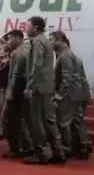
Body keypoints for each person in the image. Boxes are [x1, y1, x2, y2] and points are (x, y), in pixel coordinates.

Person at [24, 16, 64, 164]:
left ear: (35, 28)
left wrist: (29, 85)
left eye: (27, 26)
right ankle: (58, 151)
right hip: (46, 86)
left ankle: (42, 154)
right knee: (48, 120)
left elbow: (37, 65)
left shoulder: (38, 41)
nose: (26, 29)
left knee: (38, 122)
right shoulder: (44, 41)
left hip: (39, 87)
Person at [50, 30, 93, 159]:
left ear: (59, 40)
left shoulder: (65, 56)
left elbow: (67, 78)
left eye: (51, 40)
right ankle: (84, 147)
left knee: (63, 122)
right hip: (77, 94)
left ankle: (66, 149)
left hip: (69, 95)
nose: (49, 43)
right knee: (77, 122)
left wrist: (59, 96)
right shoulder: (72, 55)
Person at [3, 30, 33, 159]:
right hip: (22, 90)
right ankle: (26, 146)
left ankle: (17, 148)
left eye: (9, 39)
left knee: (8, 119)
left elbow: (15, 75)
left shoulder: (18, 53)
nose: (8, 42)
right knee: (20, 120)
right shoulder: (25, 52)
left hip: (17, 91)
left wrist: (10, 92)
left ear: (17, 38)